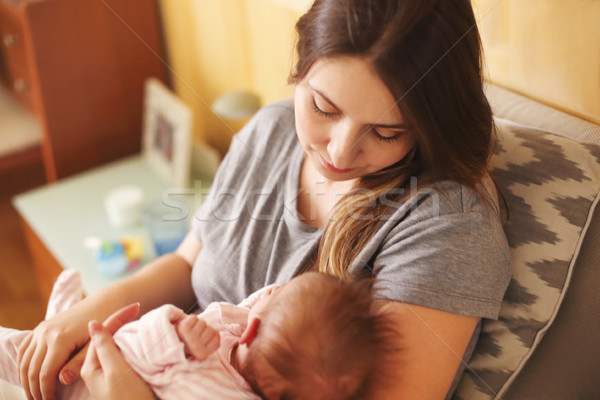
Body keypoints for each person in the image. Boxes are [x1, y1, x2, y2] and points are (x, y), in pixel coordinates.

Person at [17, 1, 512, 399]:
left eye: (384, 132)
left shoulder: (447, 224)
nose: (338, 151)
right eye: (323, 107)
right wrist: (84, 321)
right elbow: (186, 263)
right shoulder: (271, 129)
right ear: (300, 67)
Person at [4, 271, 396, 399]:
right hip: (98, 363)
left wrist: (176, 332)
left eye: (276, 294)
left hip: (101, 378)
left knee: (14, 353)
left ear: (251, 329)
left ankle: (57, 315)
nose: (271, 290)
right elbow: (186, 261)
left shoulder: (211, 348)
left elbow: (148, 350)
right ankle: (59, 315)